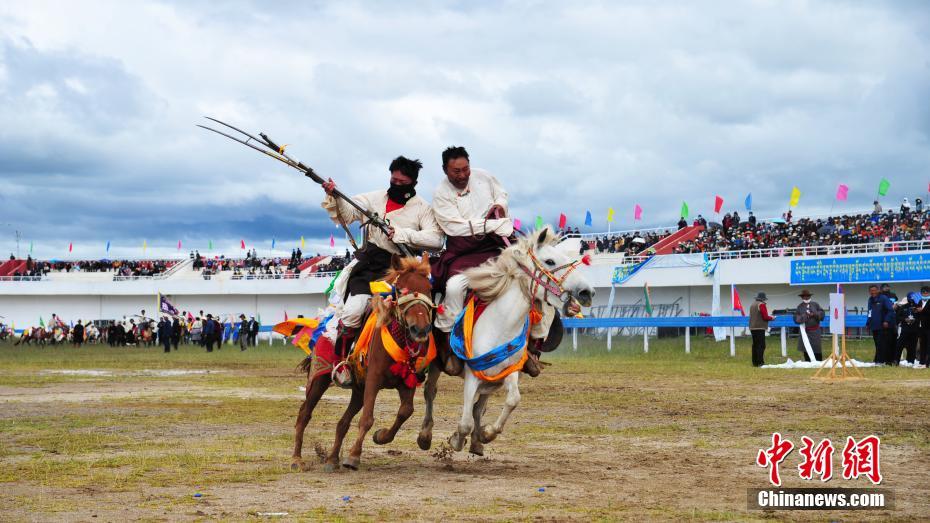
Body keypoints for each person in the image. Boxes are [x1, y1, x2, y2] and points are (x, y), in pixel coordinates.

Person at [318, 155, 443, 363]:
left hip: (401, 272)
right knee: (353, 312)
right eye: (394, 180)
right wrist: (336, 196)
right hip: (369, 267)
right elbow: (347, 214)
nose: (397, 185)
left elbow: (436, 239)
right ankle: (341, 364)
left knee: (423, 313)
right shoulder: (373, 198)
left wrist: (402, 234)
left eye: (402, 182)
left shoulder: (423, 208)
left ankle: (423, 362)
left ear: (414, 183)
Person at [793, 289, 824, 361]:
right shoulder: (799, 307)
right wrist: (805, 315)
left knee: (816, 347)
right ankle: (808, 361)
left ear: (810, 296)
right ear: (802, 297)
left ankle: (819, 361)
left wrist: (814, 314)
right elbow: (796, 319)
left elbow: (822, 314)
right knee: (806, 347)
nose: (806, 297)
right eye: (804, 296)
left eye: (807, 296)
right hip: (805, 331)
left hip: (815, 331)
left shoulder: (816, 304)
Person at [867, 284, 895, 364]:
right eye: (871, 291)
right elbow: (869, 312)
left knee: (881, 344)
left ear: (878, 290)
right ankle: (878, 359)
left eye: (874, 290)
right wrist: (868, 323)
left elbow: (890, 310)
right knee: (877, 343)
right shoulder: (870, 300)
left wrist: (886, 321)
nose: (873, 292)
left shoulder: (883, 298)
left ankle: (881, 360)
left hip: (882, 325)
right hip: (874, 326)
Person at [893, 292, 921, 366]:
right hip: (905, 330)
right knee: (899, 345)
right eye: (910, 299)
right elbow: (898, 317)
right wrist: (905, 319)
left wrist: (915, 320)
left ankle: (910, 361)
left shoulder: (918, 307)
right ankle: (896, 360)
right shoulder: (903, 307)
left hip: (915, 330)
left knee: (912, 346)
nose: (911, 300)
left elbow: (921, 317)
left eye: (913, 299)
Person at [749, 292, 775, 366]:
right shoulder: (761, 304)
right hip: (759, 327)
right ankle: (760, 362)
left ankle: (755, 362)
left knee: (755, 345)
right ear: (763, 299)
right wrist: (772, 318)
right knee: (761, 345)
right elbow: (765, 317)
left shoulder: (752, 304)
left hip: (752, 327)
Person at [917, 286, 930, 368]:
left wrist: (923, 310)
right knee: (922, 344)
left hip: (929, 326)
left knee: (929, 345)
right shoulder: (919, 301)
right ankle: (922, 362)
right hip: (921, 326)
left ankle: (928, 363)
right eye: (923, 292)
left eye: (926, 292)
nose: (925, 294)